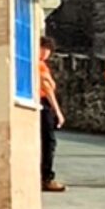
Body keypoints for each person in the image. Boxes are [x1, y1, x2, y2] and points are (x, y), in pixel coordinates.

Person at [38, 38, 65, 192]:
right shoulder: (40, 64)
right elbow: (47, 88)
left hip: (38, 101)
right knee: (49, 142)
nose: (46, 54)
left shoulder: (37, 64)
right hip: (43, 103)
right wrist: (58, 111)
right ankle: (46, 177)